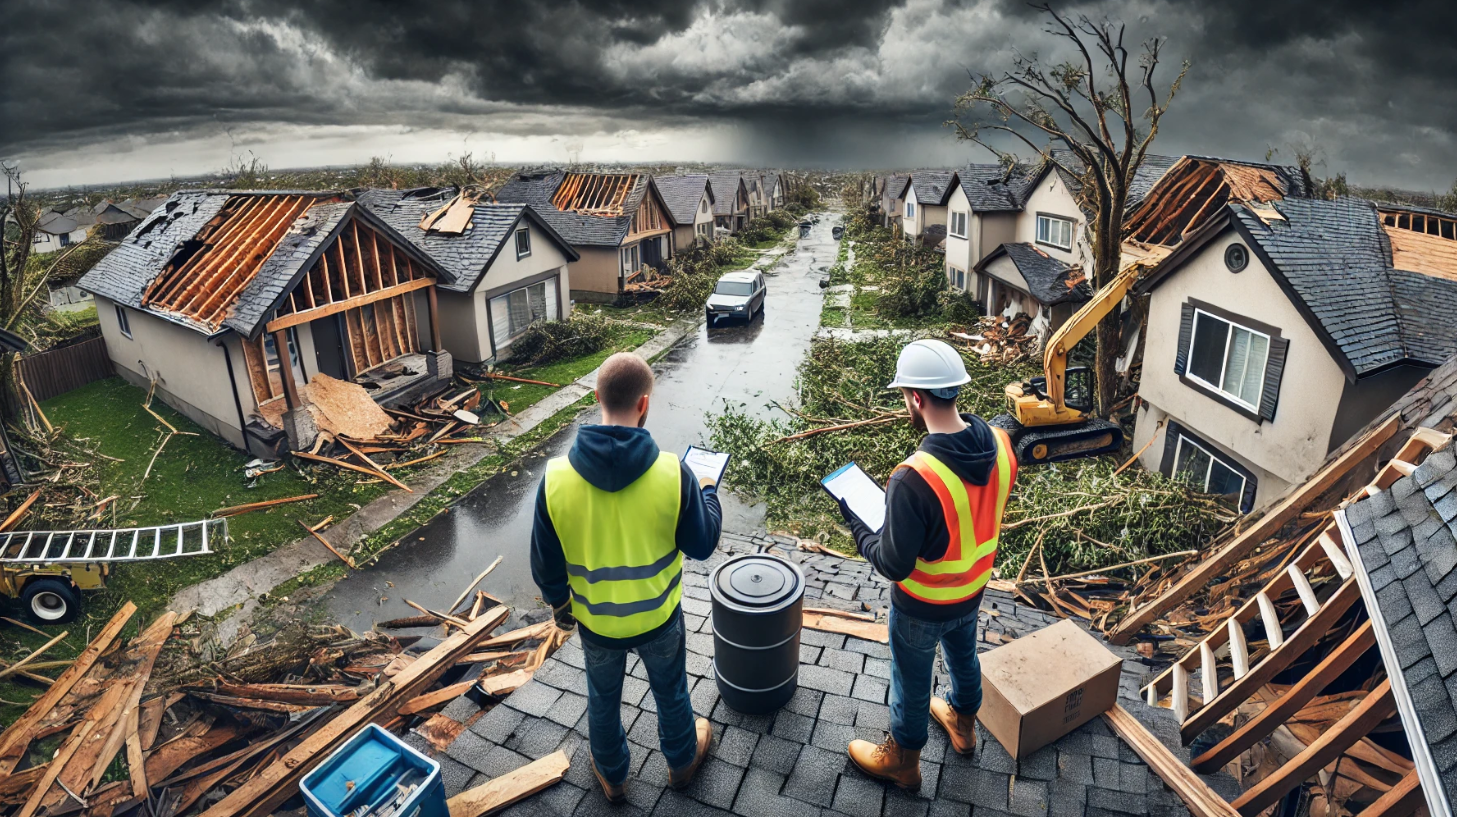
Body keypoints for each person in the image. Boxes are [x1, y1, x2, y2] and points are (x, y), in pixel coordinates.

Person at [530, 352, 722, 802]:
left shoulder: (555, 478)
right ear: (645, 404)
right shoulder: (673, 473)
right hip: (658, 618)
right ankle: (680, 764)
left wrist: (562, 610)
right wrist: (708, 492)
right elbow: (701, 544)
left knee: (603, 699)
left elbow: (546, 564)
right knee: (672, 693)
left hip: (597, 625)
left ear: (597, 397)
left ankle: (614, 778)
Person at [836, 339, 1017, 790]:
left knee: (912, 683)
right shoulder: (1001, 445)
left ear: (916, 397)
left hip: (921, 605)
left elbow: (894, 564)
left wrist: (860, 527)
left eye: (905, 396)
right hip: (972, 592)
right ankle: (963, 723)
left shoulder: (913, 477)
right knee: (964, 658)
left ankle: (904, 761)